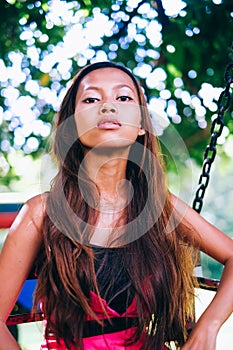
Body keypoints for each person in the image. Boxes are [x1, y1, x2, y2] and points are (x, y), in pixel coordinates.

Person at [0, 61, 233, 350]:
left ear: (142, 128)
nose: (107, 107)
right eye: (91, 99)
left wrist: (208, 326)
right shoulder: (41, 213)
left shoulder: (158, 207)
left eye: (123, 98)